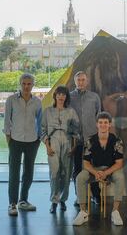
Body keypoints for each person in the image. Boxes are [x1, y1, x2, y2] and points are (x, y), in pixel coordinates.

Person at [72, 112, 125, 226]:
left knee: (120, 177)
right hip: (94, 169)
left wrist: (106, 173)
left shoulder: (117, 141)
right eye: (100, 122)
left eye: (106, 122)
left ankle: (115, 212)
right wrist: (95, 172)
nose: (103, 125)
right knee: (80, 177)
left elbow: (119, 163)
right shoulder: (90, 141)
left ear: (109, 124)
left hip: (110, 170)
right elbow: (86, 163)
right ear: (97, 124)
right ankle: (82, 212)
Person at [3, 73, 42, 216]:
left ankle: (23, 201)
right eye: (24, 84)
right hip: (15, 140)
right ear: (20, 84)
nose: (26, 86)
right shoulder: (11, 100)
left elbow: (40, 121)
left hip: (32, 141)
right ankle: (12, 204)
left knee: (29, 173)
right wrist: (9, 139)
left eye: (29, 84)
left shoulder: (37, 102)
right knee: (14, 173)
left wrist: (38, 138)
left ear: (32, 85)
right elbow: (7, 121)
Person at [41, 85, 80, 213]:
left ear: (66, 97)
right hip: (53, 141)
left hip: (67, 140)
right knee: (54, 172)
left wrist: (74, 146)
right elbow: (42, 130)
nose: (61, 96)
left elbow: (76, 130)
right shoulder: (47, 111)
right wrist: (47, 146)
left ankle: (63, 199)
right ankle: (54, 201)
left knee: (67, 172)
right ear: (55, 96)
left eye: (63, 94)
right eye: (59, 94)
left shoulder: (71, 111)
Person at [70, 71, 101, 204]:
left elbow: (99, 116)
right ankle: (79, 196)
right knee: (77, 168)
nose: (81, 82)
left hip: (92, 139)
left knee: (93, 167)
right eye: (78, 80)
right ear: (75, 82)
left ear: (87, 81)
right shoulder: (69, 97)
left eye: (83, 80)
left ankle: (96, 195)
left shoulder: (94, 97)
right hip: (76, 139)